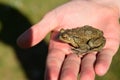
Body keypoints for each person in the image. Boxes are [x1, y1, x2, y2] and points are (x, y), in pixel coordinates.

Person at [17, 0, 120, 80]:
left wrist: (81, 50)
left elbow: (84, 45)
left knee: (91, 43)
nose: (61, 37)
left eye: (65, 37)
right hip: (90, 30)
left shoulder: (77, 40)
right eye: (62, 34)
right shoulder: (71, 35)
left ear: (70, 38)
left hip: (95, 36)